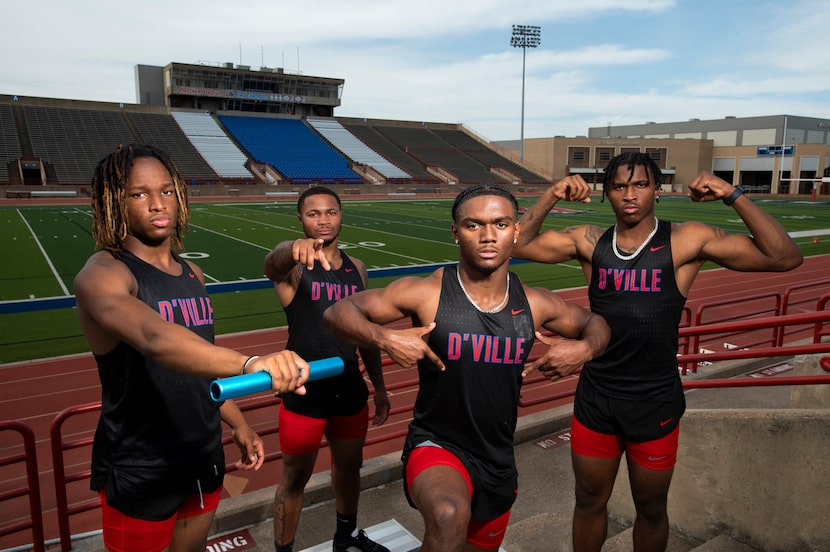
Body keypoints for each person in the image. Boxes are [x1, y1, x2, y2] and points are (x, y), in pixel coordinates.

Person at [511, 151, 804, 552]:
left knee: (651, 508)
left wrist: (731, 193)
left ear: (657, 190)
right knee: (588, 502)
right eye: (618, 187)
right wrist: (552, 195)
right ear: (606, 194)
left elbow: (784, 257)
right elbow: (516, 245)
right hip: (599, 397)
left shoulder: (685, 240)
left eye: (640, 184)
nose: (629, 194)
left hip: (655, 399)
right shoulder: (588, 241)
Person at [322, 184, 610, 552]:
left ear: (516, 231)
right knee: (447, 514)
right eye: (474, 225)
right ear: (456, 232)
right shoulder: (428, 293)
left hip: (498, 459)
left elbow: (596, 324)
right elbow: (338, 312)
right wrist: (384, 338)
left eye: (501, 224)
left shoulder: (535, 302)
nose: (488, 235)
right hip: (436, 445)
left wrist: (584, 348)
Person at [73, 144, 311, 552]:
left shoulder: (193, 274)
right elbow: (156, 339)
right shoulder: (103, 274)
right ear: (115, 200)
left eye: (166, 190)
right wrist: (254, 362)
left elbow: (197, 362)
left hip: (201, 452)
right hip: (140, 463)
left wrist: (237, 424)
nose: (156, 203)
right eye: (138, 193)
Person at [263, 186, 391, 552]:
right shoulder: (293, 269)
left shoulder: (358, 269)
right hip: (305, 389)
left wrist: (379, 387)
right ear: (300, 219)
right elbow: (271, 264)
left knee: (350, 468)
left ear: (340, 215)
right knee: (295, 477)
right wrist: (290, 247)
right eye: (313, 214)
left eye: (330, 212)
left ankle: (346, 537)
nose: (323, 220)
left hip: (349, 385)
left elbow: (364, 334)